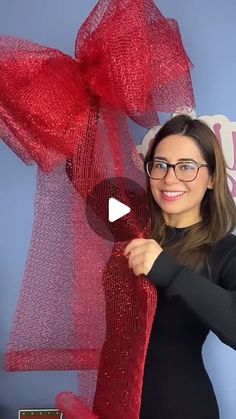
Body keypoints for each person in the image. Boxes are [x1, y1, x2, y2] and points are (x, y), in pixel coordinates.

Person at [124, 114, 236, 419]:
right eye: (160, 165)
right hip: (112, 404)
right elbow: (85, 180)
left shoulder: (226, 252)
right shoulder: (130, 230)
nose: (169, 178)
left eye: (186, 166)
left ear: (212, 177)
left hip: (181, 406)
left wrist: (169, 271)